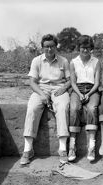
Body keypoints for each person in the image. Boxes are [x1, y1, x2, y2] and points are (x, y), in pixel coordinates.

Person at [20, 34, 71, 165]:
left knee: (63, 107)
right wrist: (42, 95)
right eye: (46, 47)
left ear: (56, 46)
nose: (49, 49)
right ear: (42, 47)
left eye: (52, 46)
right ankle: (28, 149)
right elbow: (32, 82)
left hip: (59, 88)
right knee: (32, 108)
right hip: (41, 88)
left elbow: (70, 80)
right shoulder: (36, 61)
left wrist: (64, 88)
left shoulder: (63, 61)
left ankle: (62, 149)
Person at [68, 35, 101, 161]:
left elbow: (97, 82)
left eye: (88, 48)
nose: (85, 50)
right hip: (78, 89)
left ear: (91, 48)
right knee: (74, 108)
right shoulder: (73, 62)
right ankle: (72, 145)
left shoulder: (96, 62)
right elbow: (73, 82)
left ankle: (91, 146)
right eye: (83, 48)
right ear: (79, 48)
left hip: (92, 89)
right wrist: (80, 94)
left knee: (92, 108)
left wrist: (88, 94)